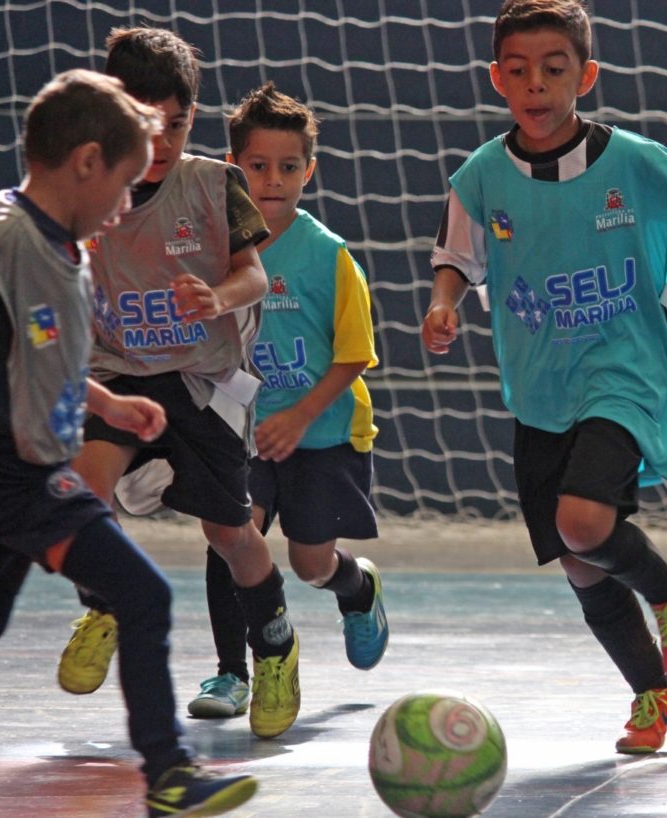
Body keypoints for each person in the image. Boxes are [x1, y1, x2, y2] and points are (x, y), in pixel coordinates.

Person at [421, 0, 667, 755]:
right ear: (495, 79)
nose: (535, 86)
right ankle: (656, 694)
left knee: (584, 523)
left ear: (587, 74)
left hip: (626, 369)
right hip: (541, 388)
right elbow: (456, 259)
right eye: (518, 72)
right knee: (580, 564)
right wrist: (444, 304)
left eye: (553, 69)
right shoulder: (479, 178)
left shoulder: (636, 162)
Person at [0, 69, 257, 817]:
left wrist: (104, 400)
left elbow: (35, 356)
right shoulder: (3, 246)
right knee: (143, 594)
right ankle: (168, 773)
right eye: (126, 183)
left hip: (22, 476)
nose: (127, 203)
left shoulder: (60, 245)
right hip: (9, 476)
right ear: (86, 162)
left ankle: (168, 772)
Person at [56, 27, 301, 740]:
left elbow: (255, 274)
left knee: (232, 533)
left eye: (178, 123)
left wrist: (221, 297)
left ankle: (276, 649)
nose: (161, 140)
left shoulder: (210, 184)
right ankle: (104, 605)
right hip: (118, 373)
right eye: (145, 122)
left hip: (203, 381)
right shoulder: (85, 187)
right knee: (82, 492)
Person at [185, 82, 388, 719]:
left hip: (322, 431)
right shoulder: (213, 249)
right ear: (232, 166)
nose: (273, 180)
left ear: (310, 171)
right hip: (244, 428)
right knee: (231, 535)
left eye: (289, 166)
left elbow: (354, 353)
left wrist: (300, 415)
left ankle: (356, 590)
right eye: (258, 165)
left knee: (309, 562)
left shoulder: (328, 256)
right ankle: (230, 672)